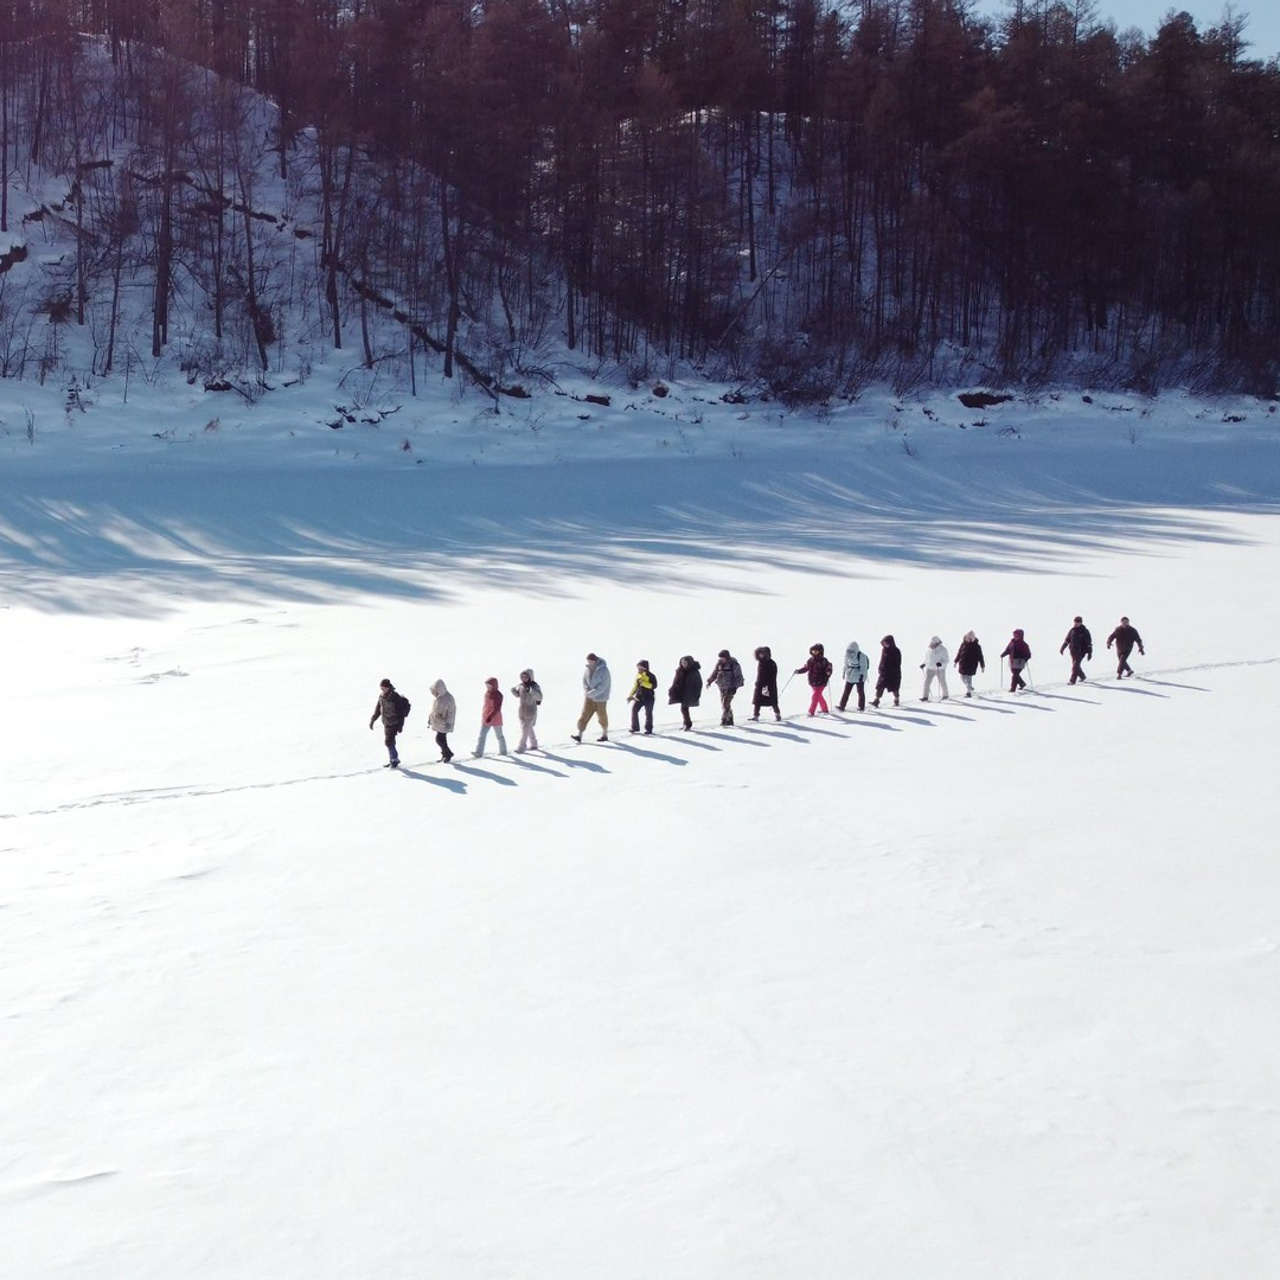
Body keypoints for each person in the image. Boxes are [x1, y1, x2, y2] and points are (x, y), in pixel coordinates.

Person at [368, 677, 409, 768]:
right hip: (386, 722)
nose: (382, 690)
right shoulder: (381, 696)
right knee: (390, 741)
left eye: (383, 688)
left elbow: (401, 712)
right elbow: (378, 709)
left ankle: (394, 759)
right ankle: (393, 759)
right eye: (381, 688)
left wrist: (400, 725)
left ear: (388, 687)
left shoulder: (395, 697)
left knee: (388, 741)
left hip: (394, 722)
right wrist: (373, 720)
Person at [572, 652, 611, 742]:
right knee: (584, 715)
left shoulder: (604, 670)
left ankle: (605, 734)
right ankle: (579, 735)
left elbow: (603, 686)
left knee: (602, 716)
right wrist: (586, 691)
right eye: (588, 661)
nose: (589, 663)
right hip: (589, 697)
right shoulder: (588, 669)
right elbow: (584, 681)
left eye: (591, 661)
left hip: (600, 698)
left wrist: (592, 693)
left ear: (595, 660)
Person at [706, 649, 746, 725]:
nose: (721, 659)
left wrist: (735, 686)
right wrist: (710, 681)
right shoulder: (719, 664)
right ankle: (729, 718)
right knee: (724, 703)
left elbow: (738, 676)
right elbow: (715, 673)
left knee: (726, 703)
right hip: (722, 686)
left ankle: (725, 718)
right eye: (720, 658)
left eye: (723, 658)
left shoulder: (733, 664)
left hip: (730, 687)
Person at [794, 643, 833, 716]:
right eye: (813, 652)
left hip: (821, 682)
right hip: (813, 681)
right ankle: (825, 709)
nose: (814, 653)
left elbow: (829, 667)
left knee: (815, 697)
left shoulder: (824, 661)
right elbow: (806, 668)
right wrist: (799, 671)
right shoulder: (811, 660)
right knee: (819, 696)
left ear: (820, 652)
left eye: (816, 652)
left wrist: (828, 672)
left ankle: (811, 711)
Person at [474, 677, 508, 757]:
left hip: (495, 718)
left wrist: (490, 716)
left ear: (494, 686)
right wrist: (486, 715)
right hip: (486, 717)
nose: (488, 687)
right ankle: (479, 752)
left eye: (489, 686)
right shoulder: (487, 693)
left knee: (499, 736)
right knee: (482, 735)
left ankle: (503, 751)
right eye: (487, 686)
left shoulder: (498, 695)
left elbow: (496, 708)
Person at [510, 668, 543, 751]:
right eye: (522, 677)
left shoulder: (534, 686)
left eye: (526, 677)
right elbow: (518, 695)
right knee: (528, 728)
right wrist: (514, 691)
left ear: (530, 677)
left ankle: (522, 746)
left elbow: (539, 697)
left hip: (531, 710)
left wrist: (531, 690)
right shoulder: (521, 686)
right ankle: (534, 743)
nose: (524, 678)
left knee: (525, 729)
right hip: (521, 710)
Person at [668, 654, 703, 730]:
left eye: (685, 663)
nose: (683, 664)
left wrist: (697, 694)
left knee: (684, 708)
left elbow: (698, 684)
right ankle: (686, 723)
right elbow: (675, 681)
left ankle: (688, 724)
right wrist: (672, 689)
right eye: (682, 663)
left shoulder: (694, 672)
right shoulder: (679, 670)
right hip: (680, 691)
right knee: (684, 708)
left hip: (689, 693)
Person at [428, 678, 457, 761]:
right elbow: (434, 710)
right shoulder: (438, 698)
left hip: (444, 723)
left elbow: (451, 712)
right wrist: (430, 718)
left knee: (439, 740)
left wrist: (449, 722)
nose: (433, 693)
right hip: (438, 722)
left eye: (434, 691)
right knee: (442, 740)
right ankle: (445, 754)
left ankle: (448, 754)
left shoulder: (449, 699)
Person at [838, 640, 870, 711]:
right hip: (850, 676)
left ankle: (861, 706)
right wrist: (843, 673)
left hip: (858, 677)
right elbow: (845, 665)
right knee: (846, 691)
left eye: (851, 651)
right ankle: (842, 705)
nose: (850, 652)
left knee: (860, 691)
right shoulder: (847, 656)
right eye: (849, 651)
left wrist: (862, 676)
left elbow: (863, 667)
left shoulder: (861, 656)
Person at [1060, 616, 1093, 684]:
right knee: (1076, 666)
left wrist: (1090, 653)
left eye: (1078, 623)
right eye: (1075, 622)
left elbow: (1089, 643)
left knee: (1075, 666)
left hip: (1081, 652)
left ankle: (1072, 681)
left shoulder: (1085, 631)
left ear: (1081, 623)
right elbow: (1067, 640)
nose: (1076, 624)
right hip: (1073, 651)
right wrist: (1062, 648)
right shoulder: (1072, 630)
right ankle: (1082, 676)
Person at [627, 659, 657, 734]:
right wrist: (630, 695)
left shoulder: (651, 676)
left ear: (645, 668)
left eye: (641, 668)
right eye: (638, 668)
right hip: (639, 696)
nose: (639, 669)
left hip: (649, 697)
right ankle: (635, 727)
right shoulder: (638, 675)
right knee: (634, 710)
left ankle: (648, 729)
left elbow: (654, 686)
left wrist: (644, 684)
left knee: (648, 713)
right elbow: (635, 686)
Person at [751, 646, 781, 721]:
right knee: (757, 701)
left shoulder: (771, 663)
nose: (760, 655)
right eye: (759, 654)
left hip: (769, 685)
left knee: (773, 701)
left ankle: (777, 714)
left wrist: (767, 684)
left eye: (762, 654)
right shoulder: (760, 662)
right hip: (760, 685)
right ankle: (756, 716)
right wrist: (758, 682)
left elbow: (773, 675)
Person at [871, 635, 902, 707]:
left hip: (893, 674)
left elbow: (898, 663)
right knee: (880, 687)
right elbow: (882, 660)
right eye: (884, 643)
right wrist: (880, 668)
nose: (885, 645)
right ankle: (877, 700)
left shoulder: (896, 651)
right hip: (884, 673)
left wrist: (892, 670)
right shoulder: (884, 650)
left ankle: (896, 699)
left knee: (894, 688)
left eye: (886, 643)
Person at [954, 631, 985, 697]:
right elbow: (959, 653)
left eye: (968, 638)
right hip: (963, 664)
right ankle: (969, 687)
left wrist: (982, 666)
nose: (966, 639)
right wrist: (956, 661)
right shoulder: (963, 644)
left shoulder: (977, 646)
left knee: (968, 678)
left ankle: (968, 692)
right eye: (966, 638)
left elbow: (980, 656)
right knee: (962, 677)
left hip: (971, 665)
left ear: (971, 639)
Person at [921, 636, 950, 701]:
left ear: (936, 642)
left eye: (932, 643)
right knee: (926, 682)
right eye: (931, 642)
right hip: (930, 668)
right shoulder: (929, 650)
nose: (931, 644)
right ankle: (925, 697)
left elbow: (946, 660)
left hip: (939, 669)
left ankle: (945, 695)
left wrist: (941, 664)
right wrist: (924, 664)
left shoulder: (943, 649)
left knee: (942, 682)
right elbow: (927, 659)